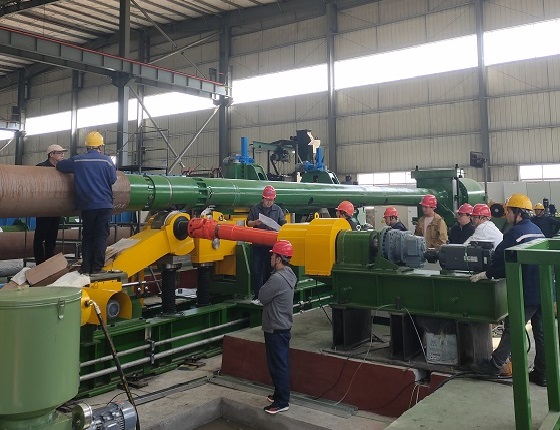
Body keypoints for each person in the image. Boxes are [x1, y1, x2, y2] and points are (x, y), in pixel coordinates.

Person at [470, 194, 546, 386]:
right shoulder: (537, 230)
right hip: (544, 289)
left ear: (517, 213)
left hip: (528, 290)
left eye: (509, 211)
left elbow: (501, 258)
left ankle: (494, 365)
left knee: (513, 327)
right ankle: (542, 373)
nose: (506, 215)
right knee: (541, 333)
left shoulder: (515, 233)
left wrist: (487, 273)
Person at [56, 131, 117, 275]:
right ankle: (97, 268)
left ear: (87, 146)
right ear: (100, 146)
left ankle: (85, 268)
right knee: (101, 236)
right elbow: (113, 179)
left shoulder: (78, 160)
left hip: (87, 205)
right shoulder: (107, 161)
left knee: (88, 236)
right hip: (104, 204)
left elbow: (61, 166)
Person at [258, 240, 296, 414]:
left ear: (279, 259)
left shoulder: (277, 279)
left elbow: (262, 296)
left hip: (275, 328)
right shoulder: (289, 274)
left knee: (278, 366)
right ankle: (278, 394)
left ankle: (282, 402)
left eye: (273, 255)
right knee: (280, 363)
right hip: (282, 327)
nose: (271, 257)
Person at [247, 185, 287, 303]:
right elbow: (248, 222)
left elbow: (283, 222)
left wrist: (284, 226)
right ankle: (258, 296)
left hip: (271, 246)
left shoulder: (277, 210)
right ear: (262, 198)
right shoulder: (255, 209)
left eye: (271, 200)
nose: (269, 202)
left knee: (271, 270)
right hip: (258, 245)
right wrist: (255, 222)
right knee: (257, 270)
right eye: (267, 199)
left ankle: (270, 296)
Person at [33, 144, 67, 264]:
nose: (62, 155)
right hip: (44, 207)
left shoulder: (62, 169)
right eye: (59, 153)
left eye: (62, 153)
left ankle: (49, 263)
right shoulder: (41, 167)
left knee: (52, 237)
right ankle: (39, 263)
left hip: (56, 207)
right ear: (51, 154)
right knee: (40, 237)